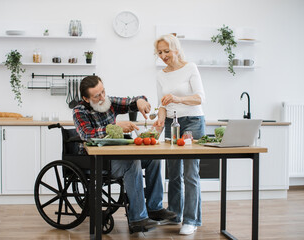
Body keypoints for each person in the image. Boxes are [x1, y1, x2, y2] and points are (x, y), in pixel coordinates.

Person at [72, 75, 176, 232]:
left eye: (103, 92)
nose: (102, 97)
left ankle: (154, 207)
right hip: (97, 161)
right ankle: (138, 219)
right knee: (132, 163)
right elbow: (87, 134)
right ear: (86, 99)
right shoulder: (79, 111)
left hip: (116, 156)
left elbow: (131, 102)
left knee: (153, 158)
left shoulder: (109, 102)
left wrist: (141, 101)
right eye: (97, 95)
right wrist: (114, 125)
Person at [153, 34, 206, 235]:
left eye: (167, 51)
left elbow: (200, 98)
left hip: (192, 122)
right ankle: (175, 214)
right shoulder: (161, 75)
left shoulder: (190, 67)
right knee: (174, 173)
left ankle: (192, 219)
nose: (163, 55)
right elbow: (162, 105)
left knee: (190, 173)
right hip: (170, 123)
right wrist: (158, 125)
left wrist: (178, 98)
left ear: (176, 49)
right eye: (160, 52)